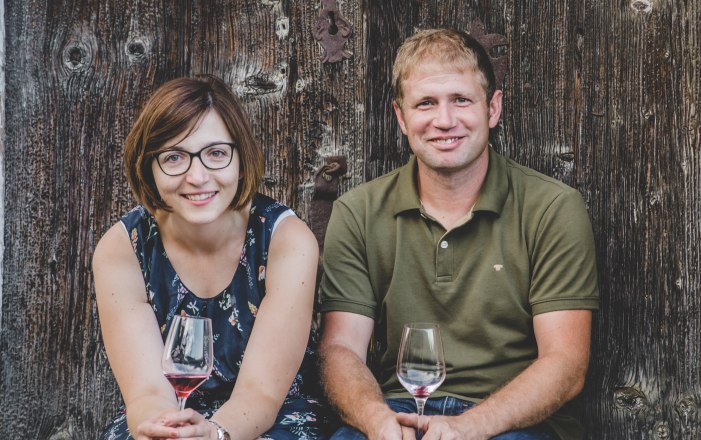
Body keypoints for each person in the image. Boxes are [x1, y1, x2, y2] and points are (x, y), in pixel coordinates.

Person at [318, 29, 599, 440]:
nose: (444, 120)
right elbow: (340, 349)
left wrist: (470, 428)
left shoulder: (551, 208)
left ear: (493, 108)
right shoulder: (358, 212)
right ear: (401, 117)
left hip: (512, 423)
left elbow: (566, 364)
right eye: (426, 103)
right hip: (397, 412)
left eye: (461, 100)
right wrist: (375, 419)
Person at [94, 75, 331, 440]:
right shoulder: (123, 248)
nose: (198, 176)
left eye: (216, 153)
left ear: (240, 158)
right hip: (168, 412)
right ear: (149, 168)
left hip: (270, 416)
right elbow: (147, 392)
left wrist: (215, 434)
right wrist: (165, 430)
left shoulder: (285, 240)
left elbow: (261, 394)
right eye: (174, 157)